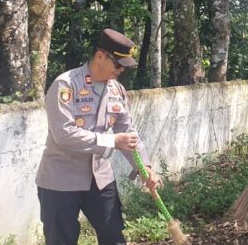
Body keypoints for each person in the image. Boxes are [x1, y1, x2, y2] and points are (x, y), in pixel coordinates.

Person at [36, 28, 162, 245]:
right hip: (61, 179)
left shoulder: (117, 90)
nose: (122, 69)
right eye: (118, 64)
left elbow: (128, 133)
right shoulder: (66, 85)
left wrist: (145, 169)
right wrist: (112, 141)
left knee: (113, 236)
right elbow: (64, 133)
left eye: (125, 66)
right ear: (100, 56)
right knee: (61, 240)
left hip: (100, 178)